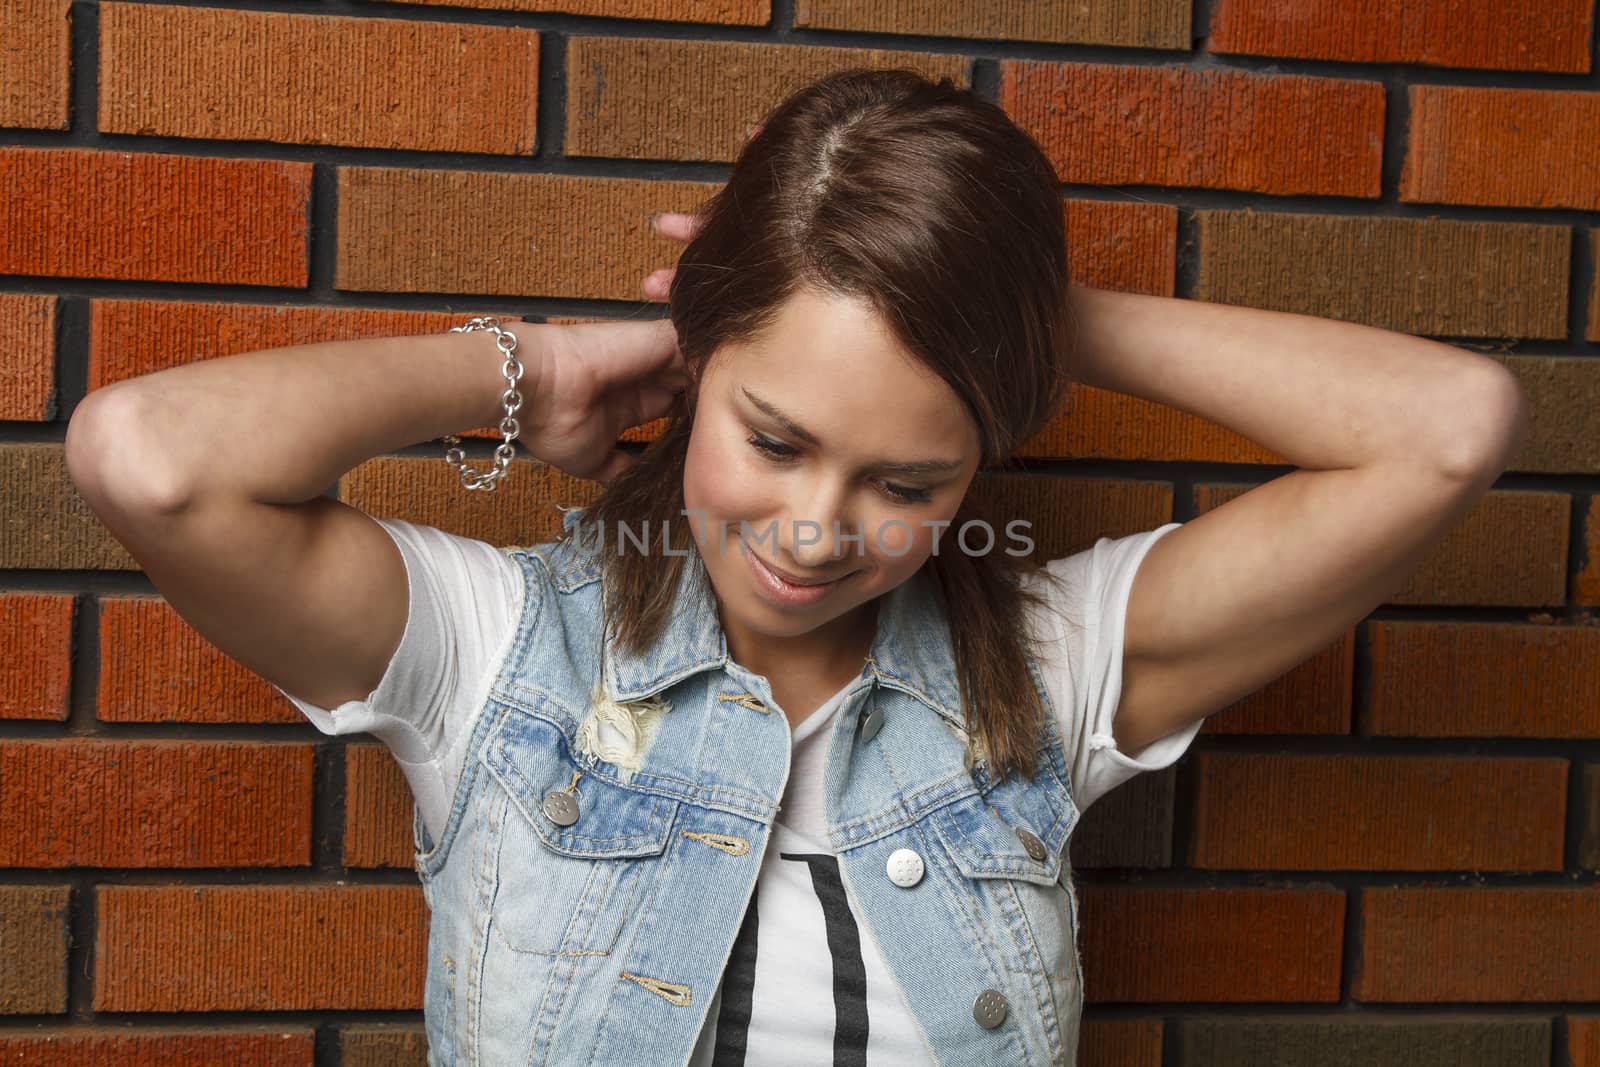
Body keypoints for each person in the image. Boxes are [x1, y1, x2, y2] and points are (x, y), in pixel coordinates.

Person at [64, 68, 1526, 1067]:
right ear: (695, 371)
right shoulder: (502, 654)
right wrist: (548, 365)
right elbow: (152, 459)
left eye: (908, 481)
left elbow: (1449, 431)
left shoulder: (1048, 667)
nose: (821, 531)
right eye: (773, 438)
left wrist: (1011, 309)